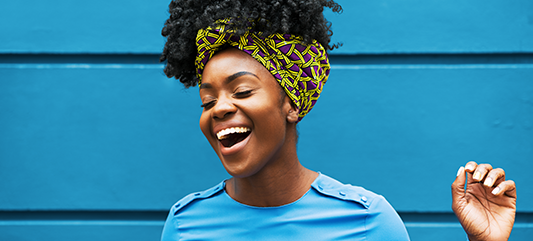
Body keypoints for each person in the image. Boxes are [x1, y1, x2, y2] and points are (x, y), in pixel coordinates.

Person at [159, 1, 517, 240]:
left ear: (292, 104)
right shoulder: (184, 224)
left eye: (241, 91)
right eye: (208, 100)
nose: (219, 108)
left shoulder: (368, 221)